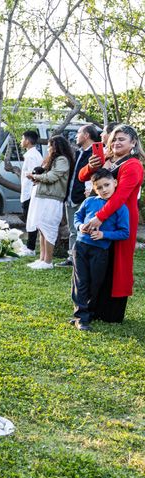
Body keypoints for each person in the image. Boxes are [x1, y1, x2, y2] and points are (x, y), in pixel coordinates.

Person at [78, 124, 144, 323]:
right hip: (103, 216)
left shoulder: (133, 165)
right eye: (114, 139)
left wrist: (99, 217)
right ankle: (94, 306)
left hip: (120, 219)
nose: (116, 142)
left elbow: (120, 197)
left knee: (118, 264)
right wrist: (93, 165)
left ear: (132, 143)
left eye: (121, 139)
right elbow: (83, 176)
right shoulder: (108, 159)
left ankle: (111, 312)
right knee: (101, 262)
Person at [70, 168, 129, 331]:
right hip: (81, 247)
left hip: (100, 251)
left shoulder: (121, 208)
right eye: (99, 187)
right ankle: (80, 317)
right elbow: (77, 216)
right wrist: (80, 226)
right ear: (94, 188)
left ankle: (87, 313)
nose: (104, 190)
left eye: (107, 185)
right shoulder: (89, 202)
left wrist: (104, 234)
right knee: (80, 282)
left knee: (95, 283)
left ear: (115, 183)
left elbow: (125, 232)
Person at [25, 134, 74, 269]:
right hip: (44, 196)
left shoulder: (62, 160)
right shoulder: (53, 159)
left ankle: (48, 261)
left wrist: (35, 176)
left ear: (57, 146)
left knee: (49, 228)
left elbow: (53, 176)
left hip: (52, 199)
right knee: (41, 227)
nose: (48, 148)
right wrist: (36, 178)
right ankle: (42, 259)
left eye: (51, 145)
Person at [56, 124, 101, 267]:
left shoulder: (96, 154)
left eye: (79, 133)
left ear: (87, 135)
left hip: (85, 199)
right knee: (73, 230)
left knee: (85, 229)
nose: (76, 136)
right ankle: (72, 258)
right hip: (70, 196)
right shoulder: (78, 152)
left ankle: (82, 259)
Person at [19, 130, 43, 256]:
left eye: (22, 139)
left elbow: (34, 174)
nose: (21, 141)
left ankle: (31, 247)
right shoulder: (31, 154)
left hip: (30, 192)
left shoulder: (32, 155)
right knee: (29, 218)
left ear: (27, 141)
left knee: (31, 219)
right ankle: (30, 246)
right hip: (27, 191)